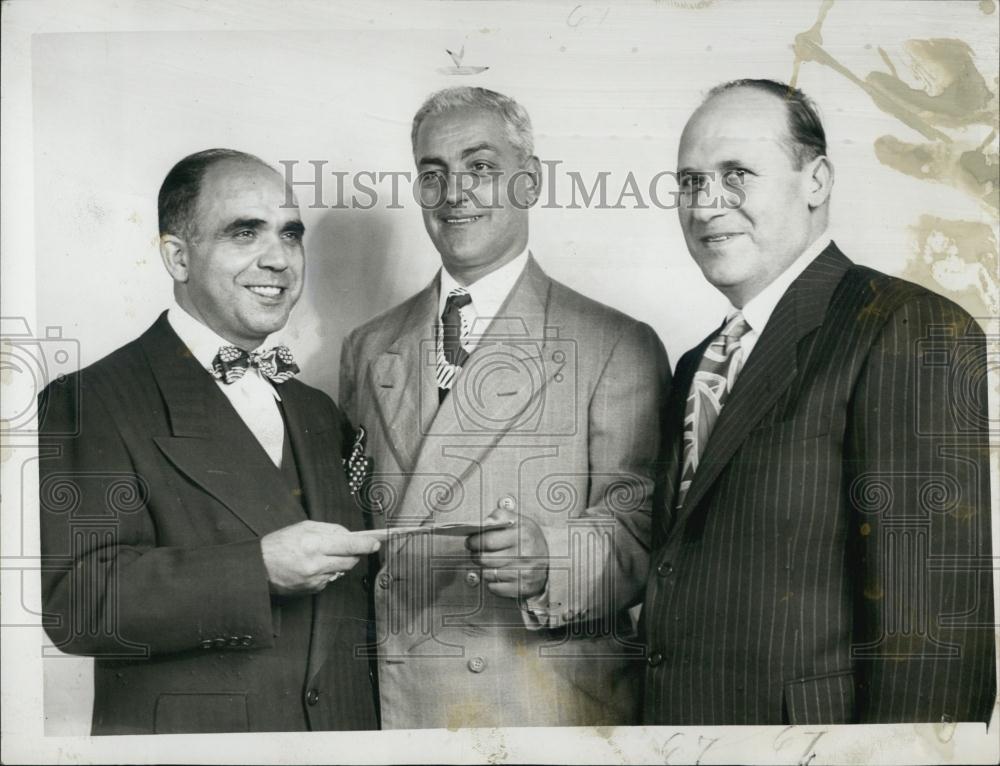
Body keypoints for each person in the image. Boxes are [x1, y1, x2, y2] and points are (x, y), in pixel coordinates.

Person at [642, 79, 996, 725]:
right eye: (689, 182)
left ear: (817, 181)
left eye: (737, 174)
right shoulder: (698, 364)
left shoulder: (906, 327)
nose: (705, 204)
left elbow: (936, 633)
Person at [339, 86, 671, 728]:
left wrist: (550, 557)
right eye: (432, 174)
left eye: (480, 168)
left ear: (530, 181)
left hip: (538, 708)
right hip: (396, 707)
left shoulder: (615, 343)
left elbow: (643, 531)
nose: (454, 193)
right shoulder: (368, 345)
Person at [38, 148, 381, 734]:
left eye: (290, 235)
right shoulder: (90, 398)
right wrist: (257, 570)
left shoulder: (316, 408)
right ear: (177, 256)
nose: (278, 259)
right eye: (244, 232)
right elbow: (76, 604)